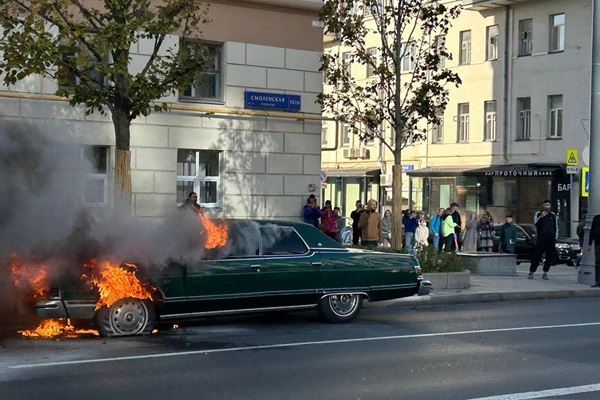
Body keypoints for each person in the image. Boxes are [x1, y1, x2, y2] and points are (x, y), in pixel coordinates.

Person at [528, 199, 558, 280]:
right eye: (545, 205)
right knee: (537, 255)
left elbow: (555, 227)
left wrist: (555, 237)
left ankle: (545, 272)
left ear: (550, 206)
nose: (546, 207)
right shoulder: (538, 214)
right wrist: (541, 217)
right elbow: (536, 224)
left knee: (550, 256)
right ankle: (532, 272)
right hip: (541, 238)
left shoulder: (553, 215)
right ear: (543, 206)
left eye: (548, 205)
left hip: (550, 239)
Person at [587, 214, 600, 287]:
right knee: (597, 263)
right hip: (597, 243)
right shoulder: (596, 218)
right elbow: (592, 230)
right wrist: (590, 243)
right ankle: (598, 281)